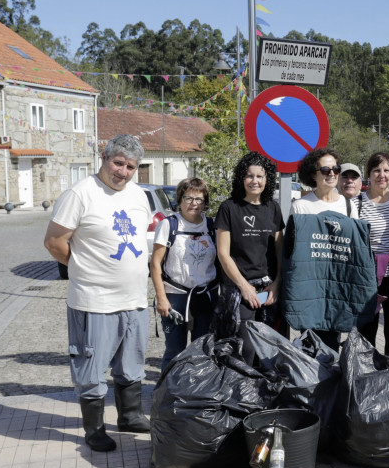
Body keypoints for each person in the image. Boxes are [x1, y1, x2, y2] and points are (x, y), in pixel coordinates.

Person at [43, 134, 153, 452]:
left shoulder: (138, 195)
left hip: (134, 298)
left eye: (130, 166)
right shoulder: (80, 194)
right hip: (94, 300)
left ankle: (130, 416)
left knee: (131, 363)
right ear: (104, 158)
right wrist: (85, 268)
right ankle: (94, 429)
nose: (123, 172)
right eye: (118, 163)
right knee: (92, 368)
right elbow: (54, 242)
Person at [289, 148, 360, 350]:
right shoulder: (301, 206)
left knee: (332, 341)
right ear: (313, 173)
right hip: (311, 287)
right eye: (325, 169)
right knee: (310, 340)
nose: (332, 174)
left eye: (335, 169)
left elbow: (353, 247)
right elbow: (295, 250)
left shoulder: (348, 206)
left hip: (337, 285)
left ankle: (330, 380)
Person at [212, 152, 284, 338]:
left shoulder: (273, 208)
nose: (255, 181)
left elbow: (279, 250)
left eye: (260, 176)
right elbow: (223, 254)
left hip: (268, 290)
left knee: (269, 350)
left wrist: (276, 284)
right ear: (242, 178)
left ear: (267, 179)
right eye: (249, 176)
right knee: (245, 347)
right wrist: (244, 287)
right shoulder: (229, 208)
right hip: (240, 290)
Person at [150, 177, 218, 369]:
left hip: (205, 296)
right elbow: (155, 264)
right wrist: (161, 298)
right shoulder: (168, 225)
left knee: (203, 350)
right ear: (179, 200)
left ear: (205, 202)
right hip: (175, 296)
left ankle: (198, 393)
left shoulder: (212, 226)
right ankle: (168, 394)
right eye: (188, 198)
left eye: (199, 199)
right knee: (174, 351)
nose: (194, 204)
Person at [356, 152, 389, 356]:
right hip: (368, 276)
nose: (381, 175)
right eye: (376, 170)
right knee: (367, 331)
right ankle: (366, 376)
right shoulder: (356, 203)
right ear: (368, 174)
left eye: (386, 170)